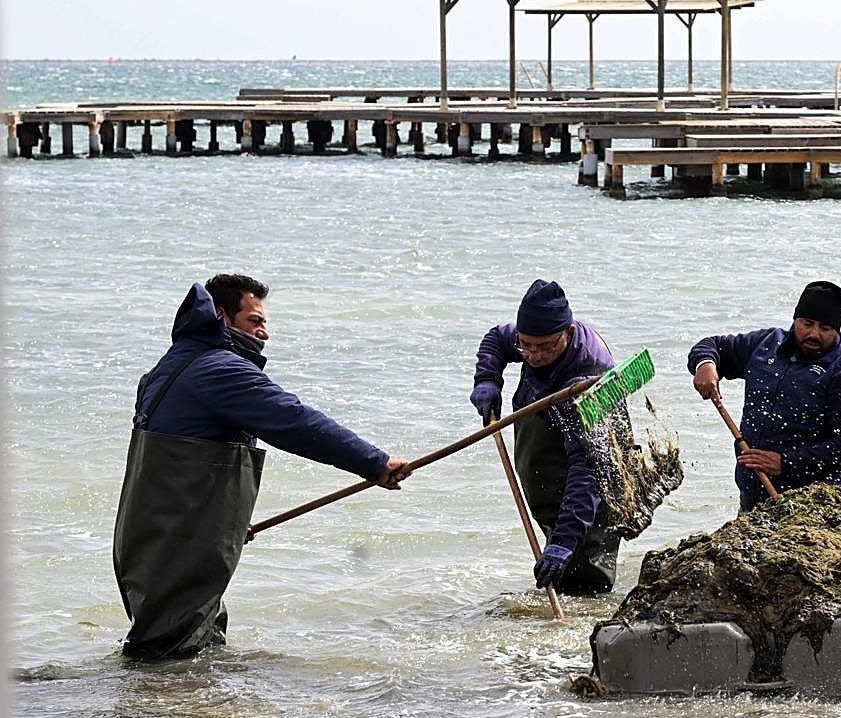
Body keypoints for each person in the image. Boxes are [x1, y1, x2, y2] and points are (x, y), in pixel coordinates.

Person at [113, 274, 408, 660]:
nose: (265, 332)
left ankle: (175, 713)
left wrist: (226, 523)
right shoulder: (217, 371)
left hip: (152, 535)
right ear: (221, 316)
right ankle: (155, 714)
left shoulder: (168, 368)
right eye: (255, 321)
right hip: (179, 538)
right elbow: (293, 422)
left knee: (188, 643)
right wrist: (374, 462)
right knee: (167, 654)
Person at [470, 279, 622, 595]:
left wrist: (565, 541)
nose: (533, 355)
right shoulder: (538, 336)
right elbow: (497, 338)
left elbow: (590, 469)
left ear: (567, 334)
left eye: (544, 348)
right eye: (526, 346)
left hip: (592, 495)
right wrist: (488, 379)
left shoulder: (586, 381)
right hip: (551, 478)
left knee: (584, 590)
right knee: (559, 579)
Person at [688, 280, 841, 512]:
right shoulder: (767, 345)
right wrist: (706, 364)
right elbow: (714, 346)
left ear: (836, 329)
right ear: (795, 319)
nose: (814, 334)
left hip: (814, 504)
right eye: (807, 324)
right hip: (752, 500)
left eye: (825, 328)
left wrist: (786, 463)